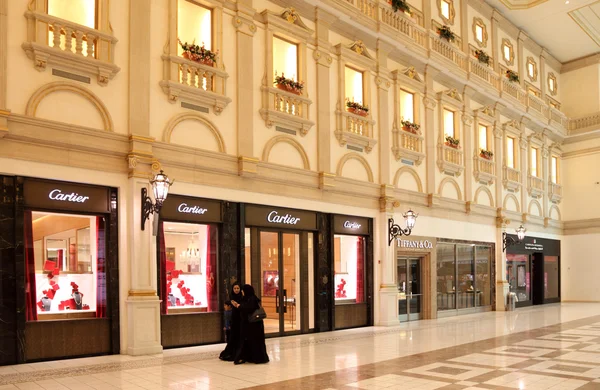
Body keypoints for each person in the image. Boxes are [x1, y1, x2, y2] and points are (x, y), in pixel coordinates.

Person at [231, 284, 269, 365]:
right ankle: (250, 357)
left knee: (254, 341)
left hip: (253, 325)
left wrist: (238, 306)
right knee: (250, 341)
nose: (242, 292)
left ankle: (257, 358)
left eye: (243, 290)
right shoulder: (249, 298)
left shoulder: (252, 299)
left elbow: (248, 309)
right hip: (251, 324)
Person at [219, 282, 242, 361]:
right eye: (235, 288)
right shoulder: (231, 298)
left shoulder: (242, 297)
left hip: (241, 319)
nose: (236, 290)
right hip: (234, 320)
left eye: (238, 288)